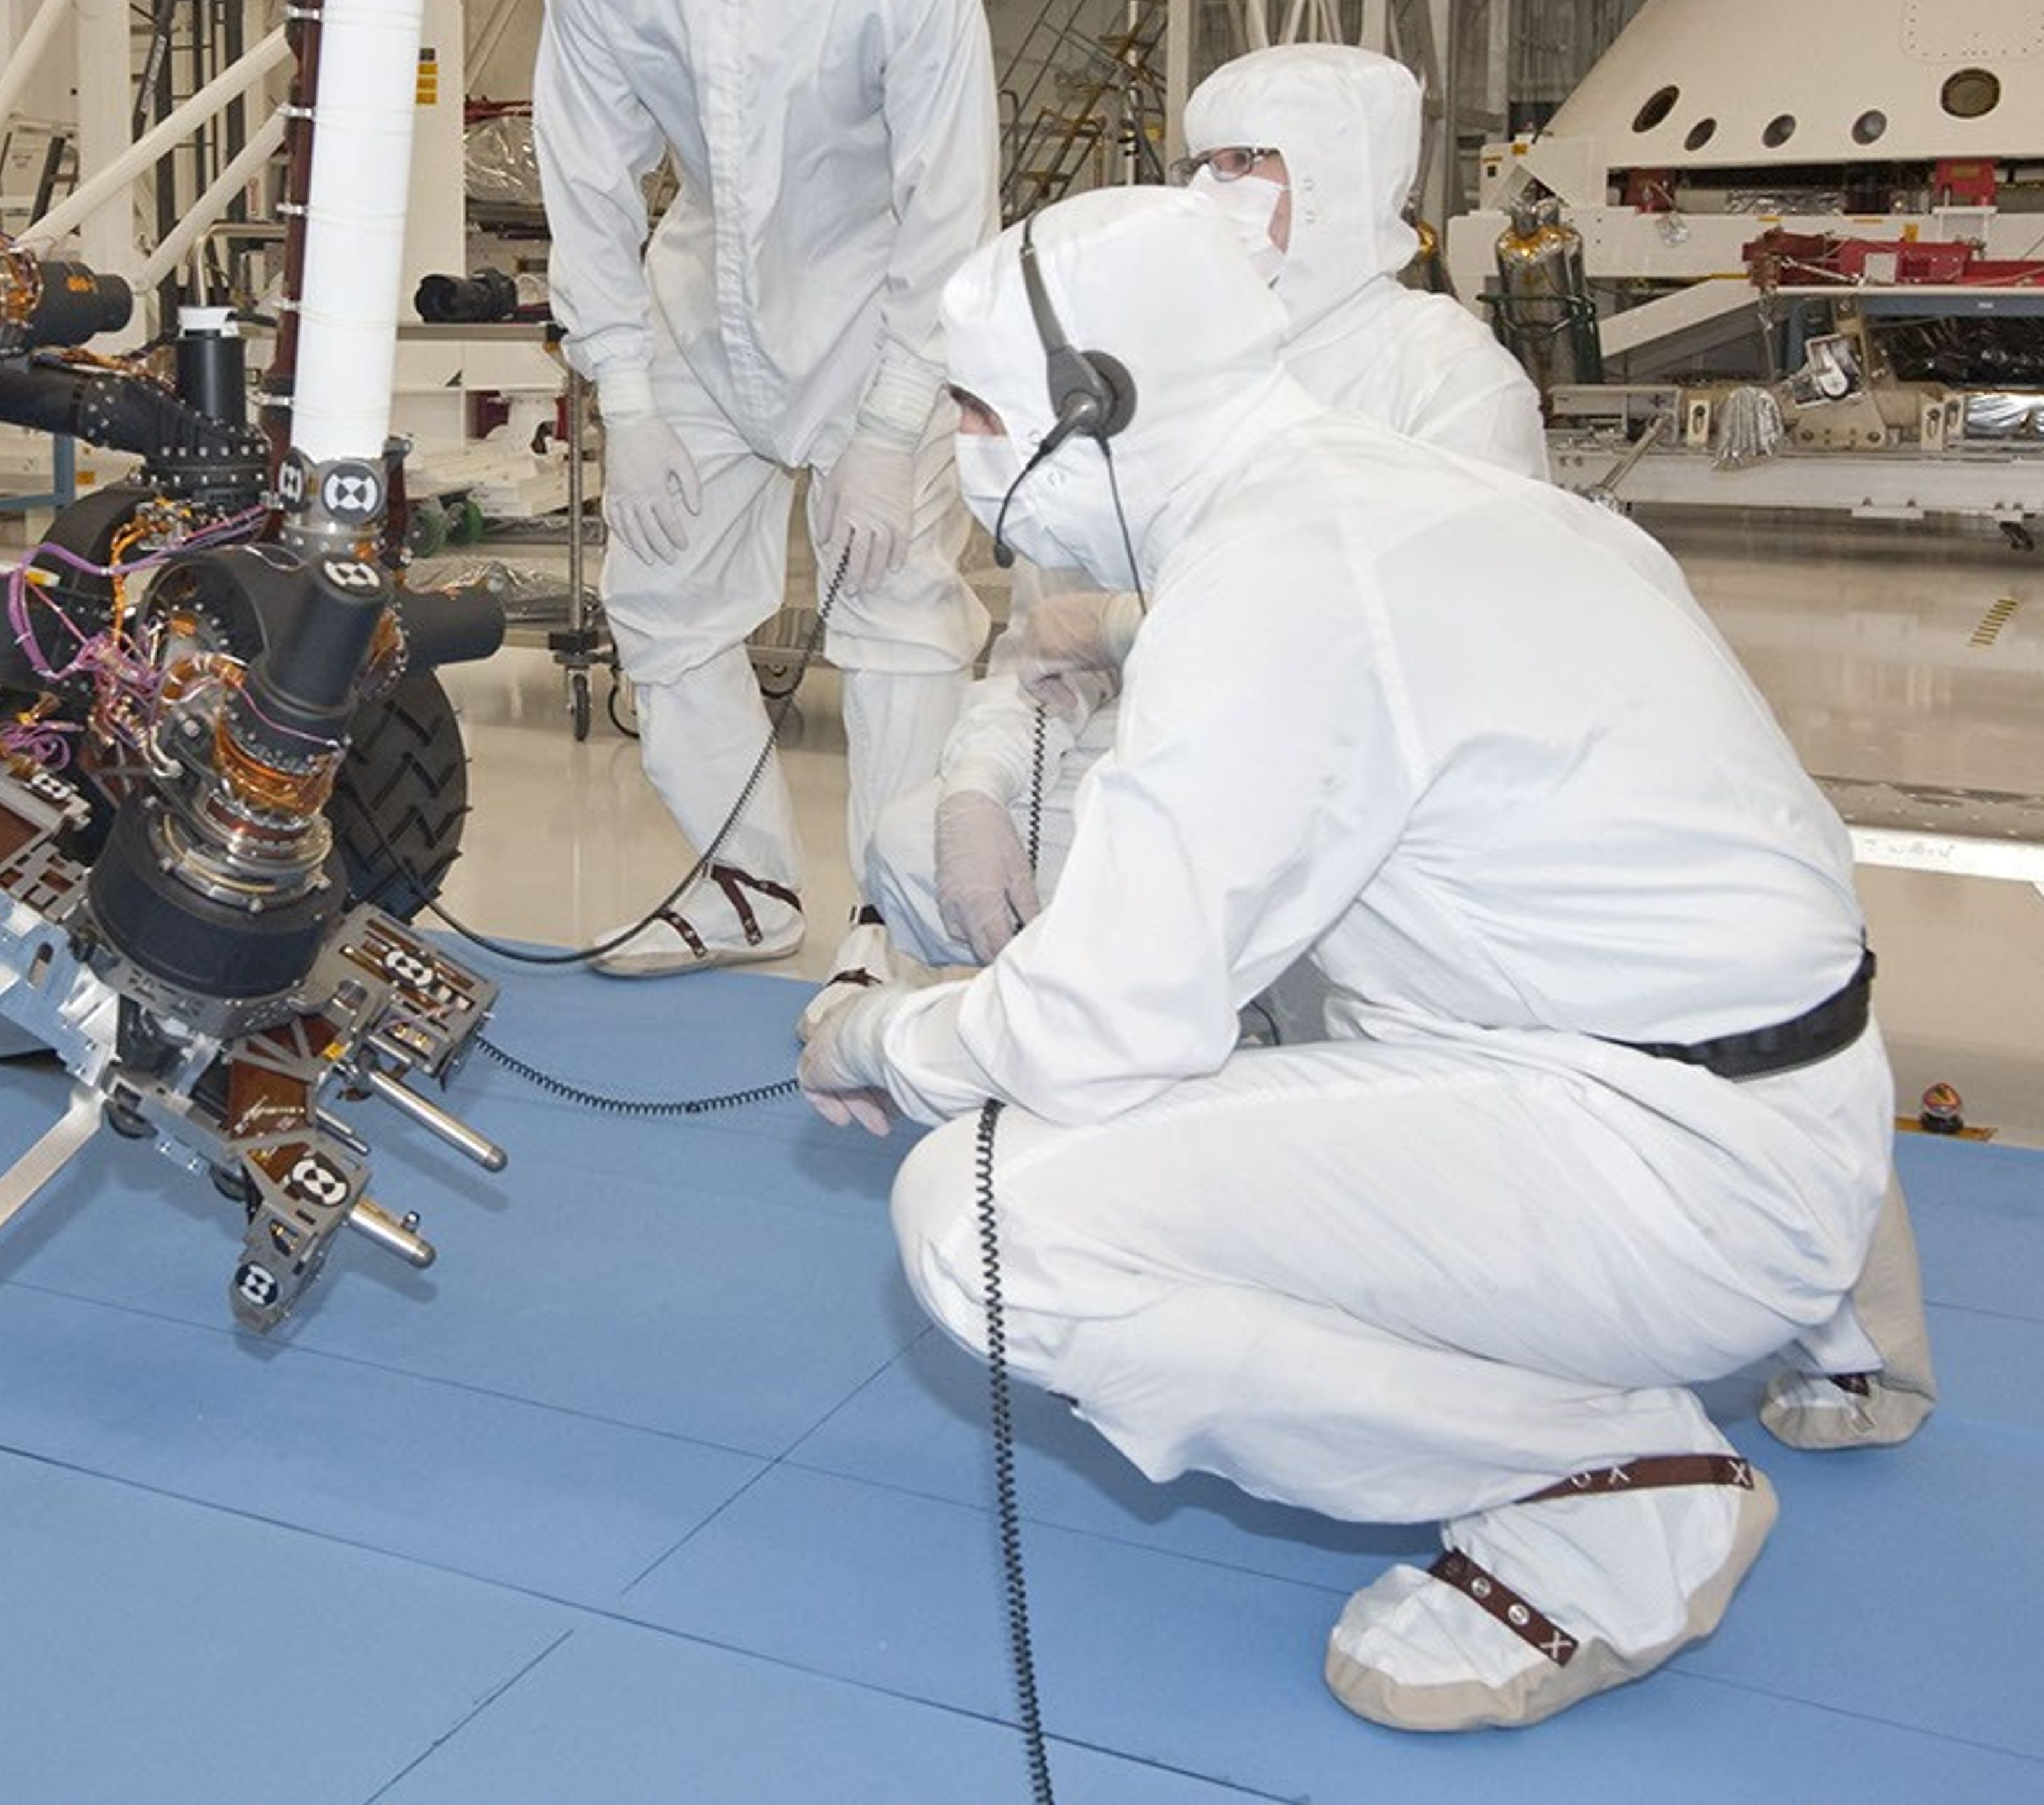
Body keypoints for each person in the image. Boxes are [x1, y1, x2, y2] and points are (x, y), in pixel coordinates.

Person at [796, 187, 1897, 1731]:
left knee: (984, 1213)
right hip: (1761, 1110)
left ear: (1090, 402)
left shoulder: (1276, 581)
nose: (965, 452)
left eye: (977, 411)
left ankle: (1602, 1483)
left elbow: (1099, 1027)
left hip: (1669, 1169)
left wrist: (868, 1036)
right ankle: (1649, 1377)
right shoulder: (1399, 503)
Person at [886, 45, 1543, 971]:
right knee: (912, 852)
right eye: (1197, 166)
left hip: (1365, 789)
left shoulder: (1445, 377)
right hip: (1163, 754)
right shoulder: (1138, 366)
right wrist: (978, 790)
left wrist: (1128, 624)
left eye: (1243, 163)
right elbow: (1040, 647)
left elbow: (1446, 650)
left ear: (1337, 178)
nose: (1209, 190)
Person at [535, 0, 995, 976]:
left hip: (877, 322)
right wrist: (623, 400)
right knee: (662, 601)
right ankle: (748, 888)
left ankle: (893, 921)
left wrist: (895, 419)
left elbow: (946, 202)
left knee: (900, 617)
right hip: (695, 321)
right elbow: (586, 184)